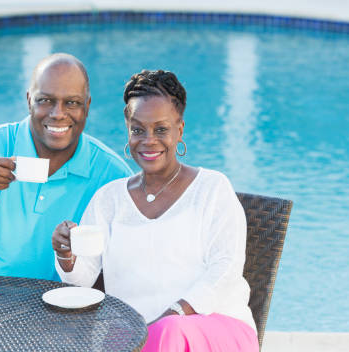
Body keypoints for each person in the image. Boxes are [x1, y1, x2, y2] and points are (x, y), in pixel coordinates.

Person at [52, 70, 259, 352]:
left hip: (212, 327)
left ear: (179, 130)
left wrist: (172, 315)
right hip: (134, 334)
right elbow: (83, 279)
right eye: (138, 130)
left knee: (168, 333)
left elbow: (226, 269)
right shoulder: (108, 199)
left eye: (161, 129)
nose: (148, 140)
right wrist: (66, 254)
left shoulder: (212, 188)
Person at [0, 53, 131, 280]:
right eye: (45, 100)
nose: (58, 114)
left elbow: (127, 262)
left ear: (87, 106)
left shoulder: (111, 174)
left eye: (71, 103)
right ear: (29, 100)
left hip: (55, 304)